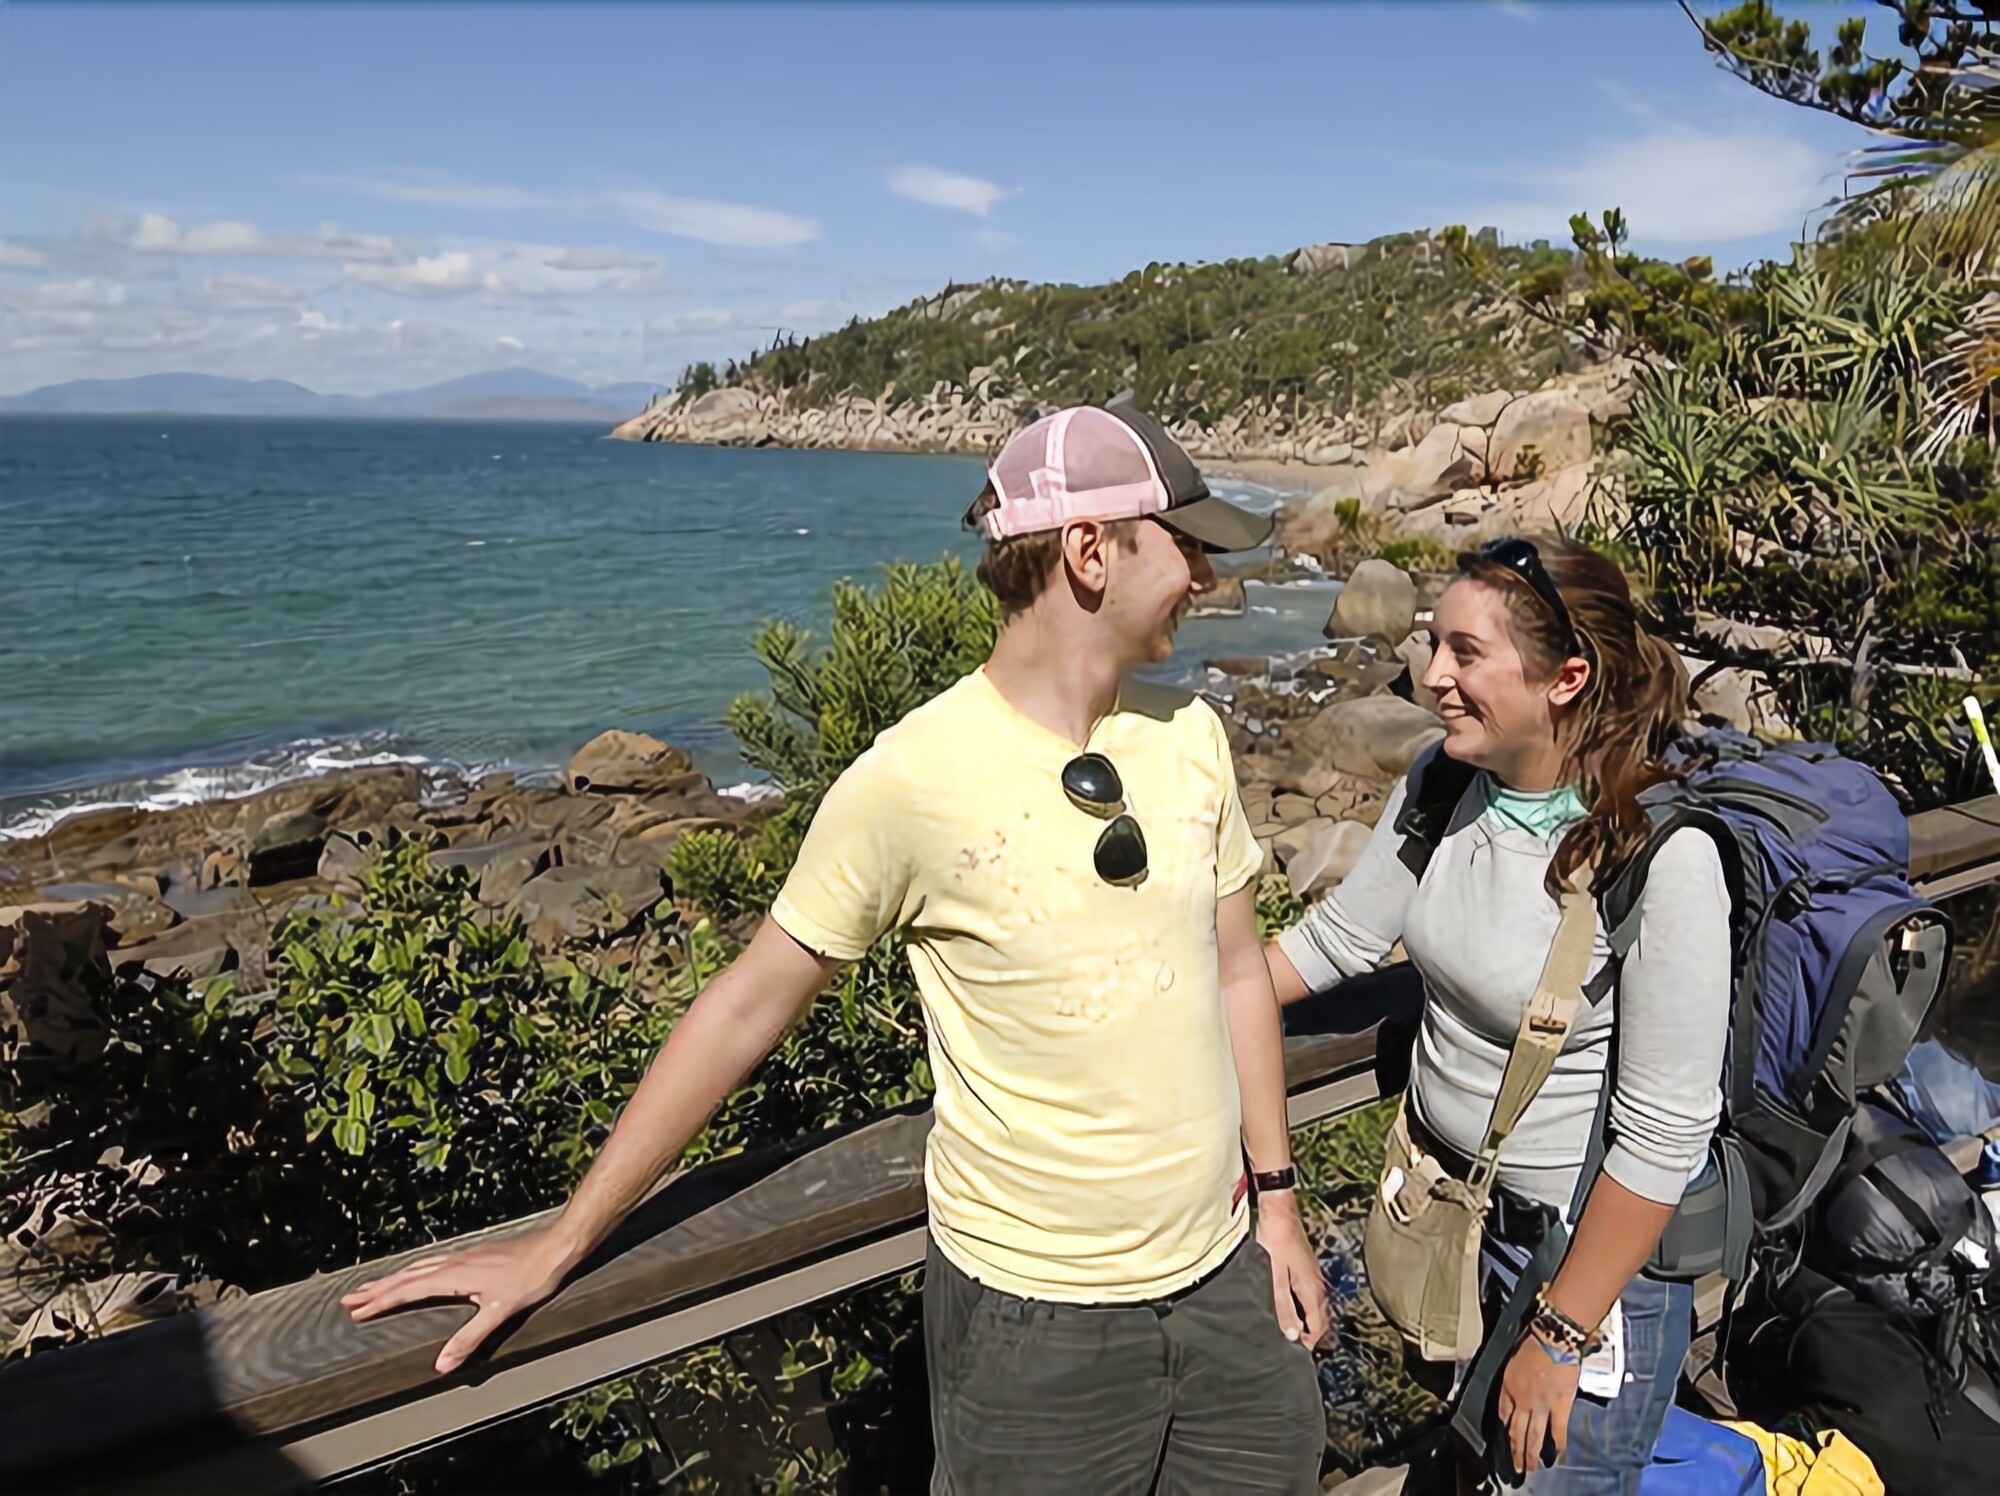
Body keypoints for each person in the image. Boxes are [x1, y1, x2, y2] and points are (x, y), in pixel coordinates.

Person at [343, 404, 1331, 1495]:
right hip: (1035, 1323)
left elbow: (1237, 969)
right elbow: (747, 1003)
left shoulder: (1188, 734)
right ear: (1091, 551)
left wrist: (1277, 1206)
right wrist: (561, 1240)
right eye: (1182, 544)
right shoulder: (907, 781)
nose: (1202, 576)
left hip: (1226, 1280)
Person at [1267, 536, 1733, 1491]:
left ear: (1566, 678)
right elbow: (1334, 945)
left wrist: (1561, 1334)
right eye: (1434, 644)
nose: (1433, 674)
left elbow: (1664, 1132)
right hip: (1458, 1223)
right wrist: (1159, 996)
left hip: (1585, 1268)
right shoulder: (1445, 785)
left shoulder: (1659, 854)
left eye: (1464, 653)